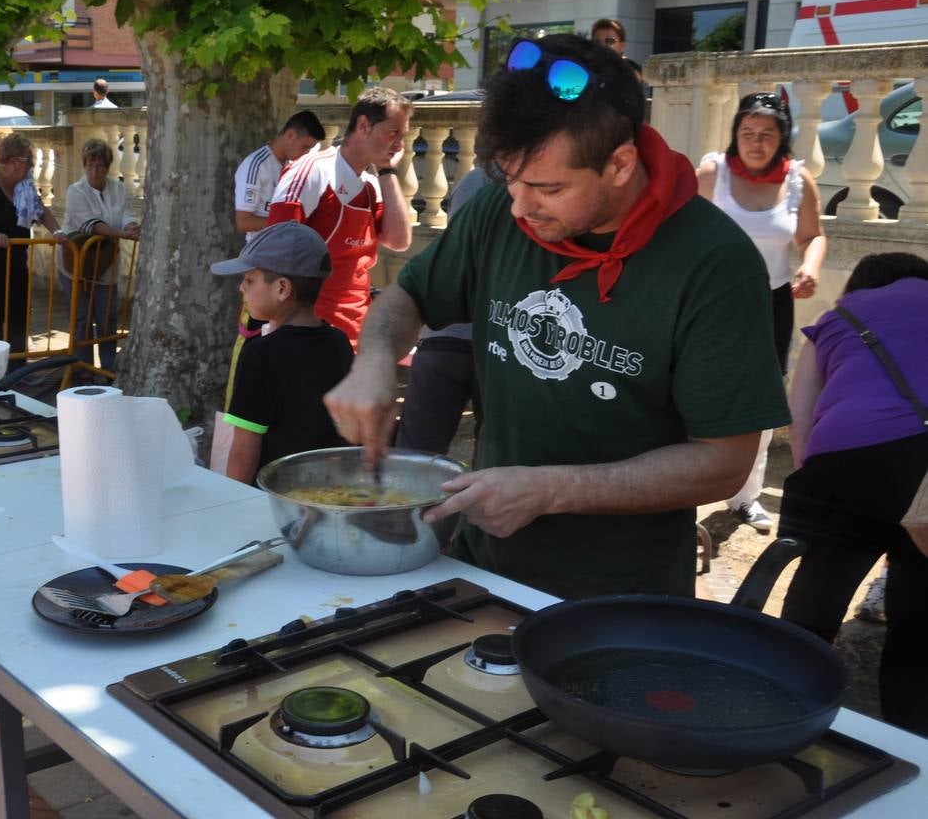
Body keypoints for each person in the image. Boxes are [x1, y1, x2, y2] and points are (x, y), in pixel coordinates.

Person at [324, 34, 790, 600]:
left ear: (620, 163)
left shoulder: (713, 265)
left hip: (620, 593)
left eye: (547, 188)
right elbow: (408, 298)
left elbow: (724, 462)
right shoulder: (502, 211)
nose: (521, 206)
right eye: (510, 179)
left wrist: (553, 490)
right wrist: (373, 359)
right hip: (482, 567)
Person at [777, 252, 928, 737]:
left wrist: (824, 500)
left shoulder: (838, 316)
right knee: (920, 617)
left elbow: (799, 421)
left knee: (816, 599)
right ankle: (913, 741)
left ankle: (783, 713)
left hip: (849, 458)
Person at [697, 92, 826, 532]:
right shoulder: (712, 173)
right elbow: (676, 229)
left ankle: (745, 497)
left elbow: (812, 236)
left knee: (761, 400)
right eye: (747, 133)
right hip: (709, 301)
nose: (755, 143)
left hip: (770, 302)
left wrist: (809, 267)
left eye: (766, 135)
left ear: (782, 137)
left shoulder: (797, 180)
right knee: (692, 387)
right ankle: (679, 489)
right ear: (735, 135)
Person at [266, 87, 413, 348]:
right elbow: (273, 252)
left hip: (356, 335)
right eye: (393, 133)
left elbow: (399, 241)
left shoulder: (372, 185)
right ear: (364, 125)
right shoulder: (312, 171)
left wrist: (387, 172)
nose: (400, 145)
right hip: (309, 336)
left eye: (403, 135)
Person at [212, 223, 353, 484]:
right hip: (329, 490)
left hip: (274, 498)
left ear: (282, 288)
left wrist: (232, 501)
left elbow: (244, 450)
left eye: (249, 279)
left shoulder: (259, 353)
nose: (242, 287)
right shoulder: (340, 342)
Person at [222, 110, 326, 407]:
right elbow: (243, 221)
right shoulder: (256, 164)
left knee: (282, 337)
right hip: (260, 267)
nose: (307, 155)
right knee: (251, 339)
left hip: (287, 267)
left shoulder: (292, 167)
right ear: (290, 135)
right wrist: (287, 225)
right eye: (305, 147)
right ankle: (236, 411)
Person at [394, 167, 491, 459]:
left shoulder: (476, 179)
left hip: (448, 339)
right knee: (491, 457)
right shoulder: (487, 182)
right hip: (478, 341)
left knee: (413, 456)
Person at [0, 133, 63, 354]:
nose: (32, 165)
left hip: (15, 259)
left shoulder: (24, 185)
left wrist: (58, 232)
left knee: (19, 314)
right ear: (15, 162)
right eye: (29, 160)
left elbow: (40, 210)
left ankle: (17, 367)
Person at [60, 138, 138, 371]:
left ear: (107, 167)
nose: (95, 171)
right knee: (82, 318)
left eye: (100, 165)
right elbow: (91, 225)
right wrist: (123, 235)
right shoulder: (75, 191)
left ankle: (107, 369)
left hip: (106, 262)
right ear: (84, 166)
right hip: (75, 262)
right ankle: (83, 369)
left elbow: (125, 212)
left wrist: (131, 225)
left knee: (107, 317)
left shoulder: (118, 188)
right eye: (90, 165)